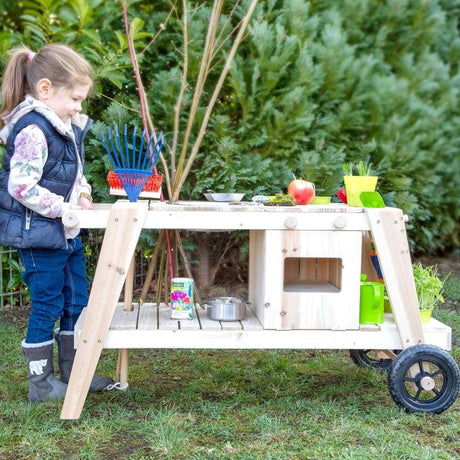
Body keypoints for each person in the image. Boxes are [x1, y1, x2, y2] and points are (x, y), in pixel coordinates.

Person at [0, 44, 111, 402]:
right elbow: (20, 186)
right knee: (48, 304)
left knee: (75, 299)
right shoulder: (33, 130)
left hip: (66, 232)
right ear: (45, 89)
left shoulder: (65, 126)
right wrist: (63, 209)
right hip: (41, 237)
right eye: (76, 98)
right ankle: (41, 383)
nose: (80, 107)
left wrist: (84, 196)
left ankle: (74, 371)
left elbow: (75, 174)